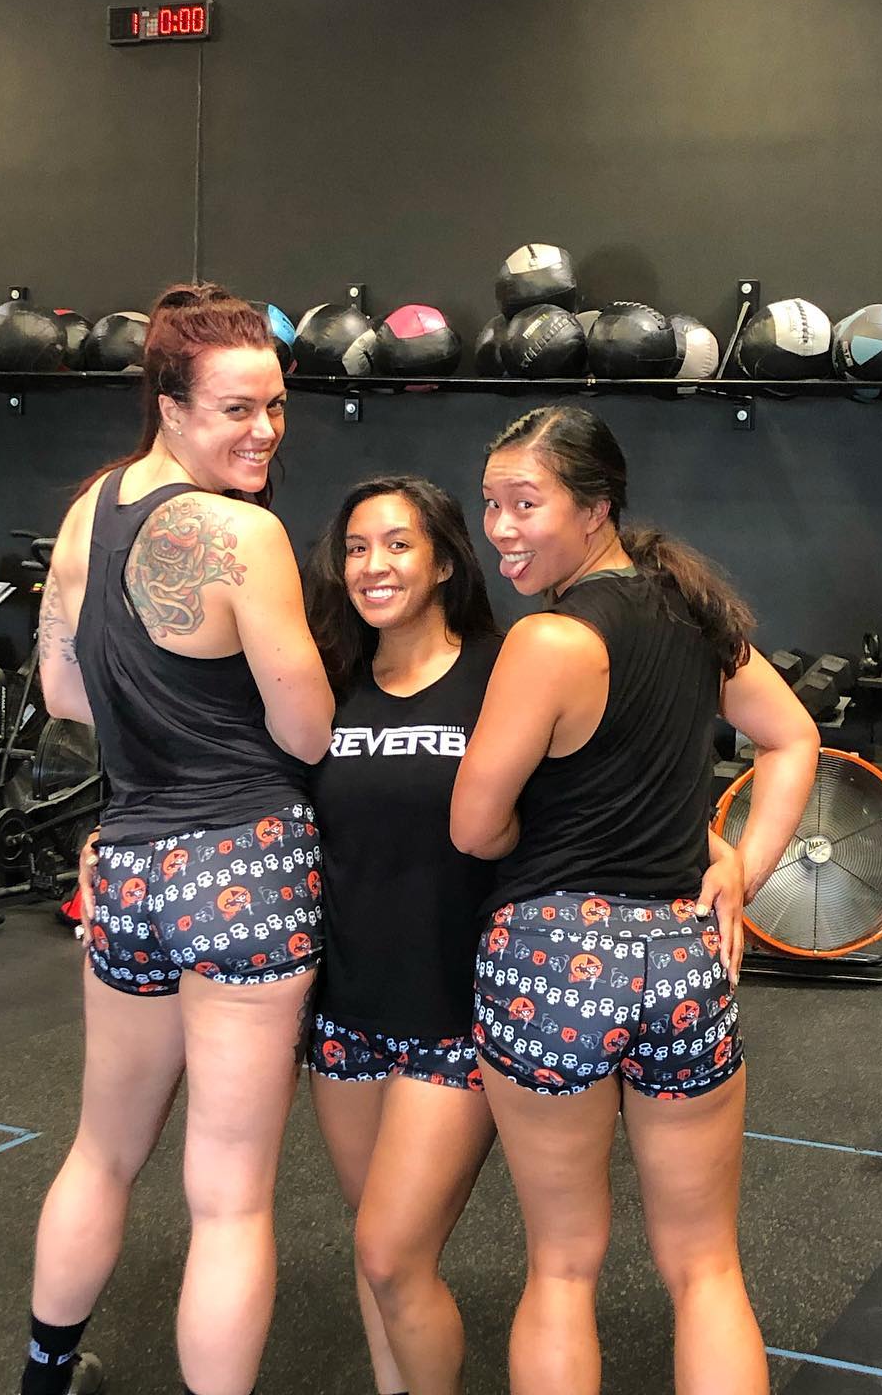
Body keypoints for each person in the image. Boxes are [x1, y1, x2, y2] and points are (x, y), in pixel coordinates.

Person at [452, 404, 819, 1395]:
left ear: (596, 507)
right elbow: (794, 738)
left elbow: (474, 827)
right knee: (707, 1270)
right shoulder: (691, 615)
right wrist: (742, 865)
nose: (501, 528)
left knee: (562, 1268)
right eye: (491, 504)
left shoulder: (550, 641)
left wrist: (539, 840)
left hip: (551, 963)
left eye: (525, 503)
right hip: (684, 955)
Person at [23, 283, 334, 1395]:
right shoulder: (244, 534)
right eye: (236, 410)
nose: (265, 432)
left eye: (276, 406)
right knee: (230, 1194)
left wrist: (160, 704)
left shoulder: (88, 510)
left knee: (102, 1151)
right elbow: (308, 729)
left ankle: (45, 1379)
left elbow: (65, 692)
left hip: (131, 861)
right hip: (244, 860)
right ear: (169, 406)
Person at [298, 475, 501, 1395]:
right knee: (376, 1249)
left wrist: (707, 849)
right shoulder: (326, 683)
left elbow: (592, 783)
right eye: (355, 548)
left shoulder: (499, 674)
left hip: (458, 1016)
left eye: (397, 544)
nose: (372, 566)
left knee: (390, 1253)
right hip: (347, 1011)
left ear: (445, 561)